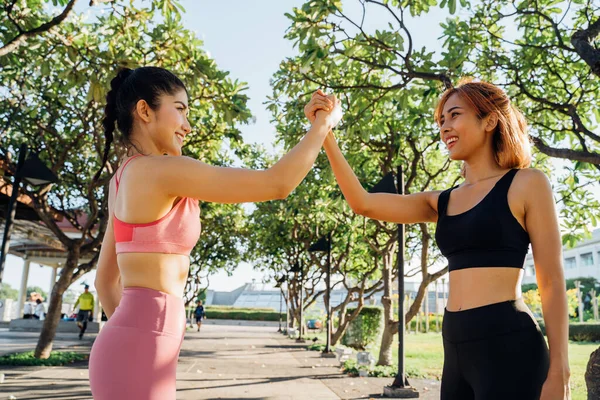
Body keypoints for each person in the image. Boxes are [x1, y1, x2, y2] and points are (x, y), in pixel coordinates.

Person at [89, 66, 341, 400]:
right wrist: (323, 123)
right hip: (143, 350)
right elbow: (277, 183)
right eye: (179, 110)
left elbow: (105, 281)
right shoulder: (163, 171)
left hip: (129, 349)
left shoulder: (121, 179)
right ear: (145, 110)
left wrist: (138, 335)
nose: (187, 126)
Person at [309, 80, 570, 400]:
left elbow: (552, 280)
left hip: (508, 343)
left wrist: (559, 371)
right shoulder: (442, 201)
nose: (445, 126)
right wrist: (325, 129)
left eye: (454, 115)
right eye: (441, 120)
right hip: (455, 345)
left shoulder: (527, 183)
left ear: (489, 121)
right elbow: (362, 202)